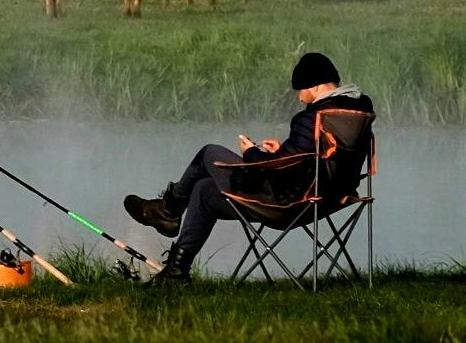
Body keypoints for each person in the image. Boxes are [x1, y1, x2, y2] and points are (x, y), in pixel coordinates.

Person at [125, 50, 367, 281]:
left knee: (210, 152)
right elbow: (316, 159)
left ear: (315, 85)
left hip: (288, 203)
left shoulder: (313, 117)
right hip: (331, 198)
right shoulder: (355, 113)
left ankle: (168, 209)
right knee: (204, 191)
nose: (299, 97)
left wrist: (251, 151)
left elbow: (276, 168)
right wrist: (282, 151)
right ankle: (176, 272)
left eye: (300, 90)